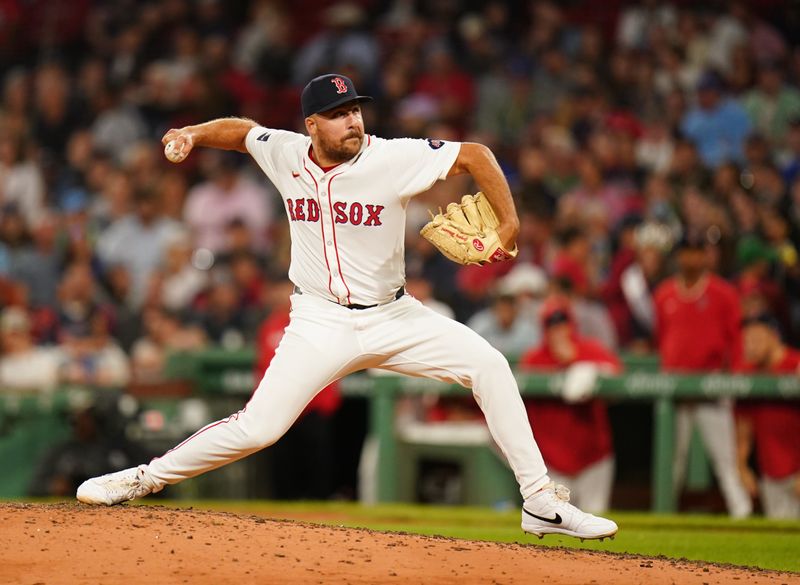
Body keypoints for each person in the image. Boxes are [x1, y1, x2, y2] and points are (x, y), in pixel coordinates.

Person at [76, 73, 617, 541]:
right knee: (259, 428)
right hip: (319, 320)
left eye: (354, 110)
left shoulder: (393, 157)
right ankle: (143, 478)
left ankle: (540, 501)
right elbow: (242, 132)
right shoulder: (286, 152)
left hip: (394, 315)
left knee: (490, 366)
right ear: (312, 124)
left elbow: (476, 154)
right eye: (337, 115)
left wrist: (509, 222)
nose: (352, 122)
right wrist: (193, 133)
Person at [653, 233, 752, 518]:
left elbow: (736, 341)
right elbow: (663, 338)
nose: (691, 258)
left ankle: (741, 512)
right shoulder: (665, 294)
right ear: (678, 256)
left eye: (696, 252)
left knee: (726, 458)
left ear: (705, 256)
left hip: (711, 387)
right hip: (675, 390)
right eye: (686, 252)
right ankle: (664, 516)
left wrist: (734, 379)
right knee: (672, 462)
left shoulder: (723, 293)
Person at [520, 297, 620, 513]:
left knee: (597, 522)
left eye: (562, 322)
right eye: (552, 324)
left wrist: (581, 365)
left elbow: (618, 377)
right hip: (552, 463)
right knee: (556, 527)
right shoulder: (533, 359)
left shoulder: (590, 349)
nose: (558, 330)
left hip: (593, 459)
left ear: (571, 324)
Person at [734, 313, 800, 519]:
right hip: (770, 474)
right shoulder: (748, 373)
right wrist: (742, 467)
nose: (750, 346)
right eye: (746, 341)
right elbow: (744, 427)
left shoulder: (795, 364)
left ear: (774, 336)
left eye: (755, 339)